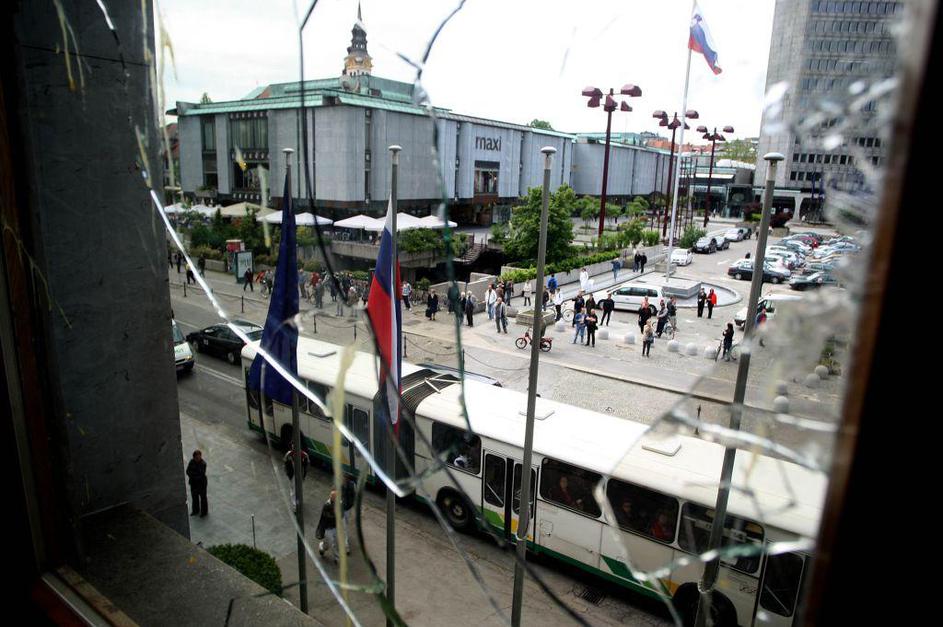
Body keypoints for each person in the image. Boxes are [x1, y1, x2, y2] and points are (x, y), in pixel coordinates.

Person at [283, 446, 310, 513]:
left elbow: (307, 465)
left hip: (299, 475)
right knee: (294, 490)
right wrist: (288, 473)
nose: (293, 448)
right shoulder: (289, 454)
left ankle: (297, 504)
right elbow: (285, 463)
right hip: (292, 475)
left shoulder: (303, 455)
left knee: (296, 489)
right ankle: (296, 505)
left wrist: (303, 475)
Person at [316, 490, 339, 563]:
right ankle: (322, 547)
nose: (333, 497)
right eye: (332, 496)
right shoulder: (327, 505)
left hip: (335, 527)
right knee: (329, 543)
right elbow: (327, 516)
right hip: (328, 528)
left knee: (335, 542)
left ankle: (336, 557)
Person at [186, 450, 208, 517]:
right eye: (197, 457)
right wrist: (194, 474)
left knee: (203, 498)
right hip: (193, 484)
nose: (198, 458)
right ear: (194, 457)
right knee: (194, 498)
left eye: (199, 457)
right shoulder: (191, 462)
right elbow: (187, 471)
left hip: (201, 484)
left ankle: (204, 512)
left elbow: (200, 475)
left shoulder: (203, 464)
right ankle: (195, 511)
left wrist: (192, 474)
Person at [340, 475, 355, 554]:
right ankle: (346, 546)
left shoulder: (352, 485)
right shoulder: (339, 484)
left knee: (345, 524)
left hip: (348, 508)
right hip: (342, 509)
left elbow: (354, 496)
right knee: (344, 526)